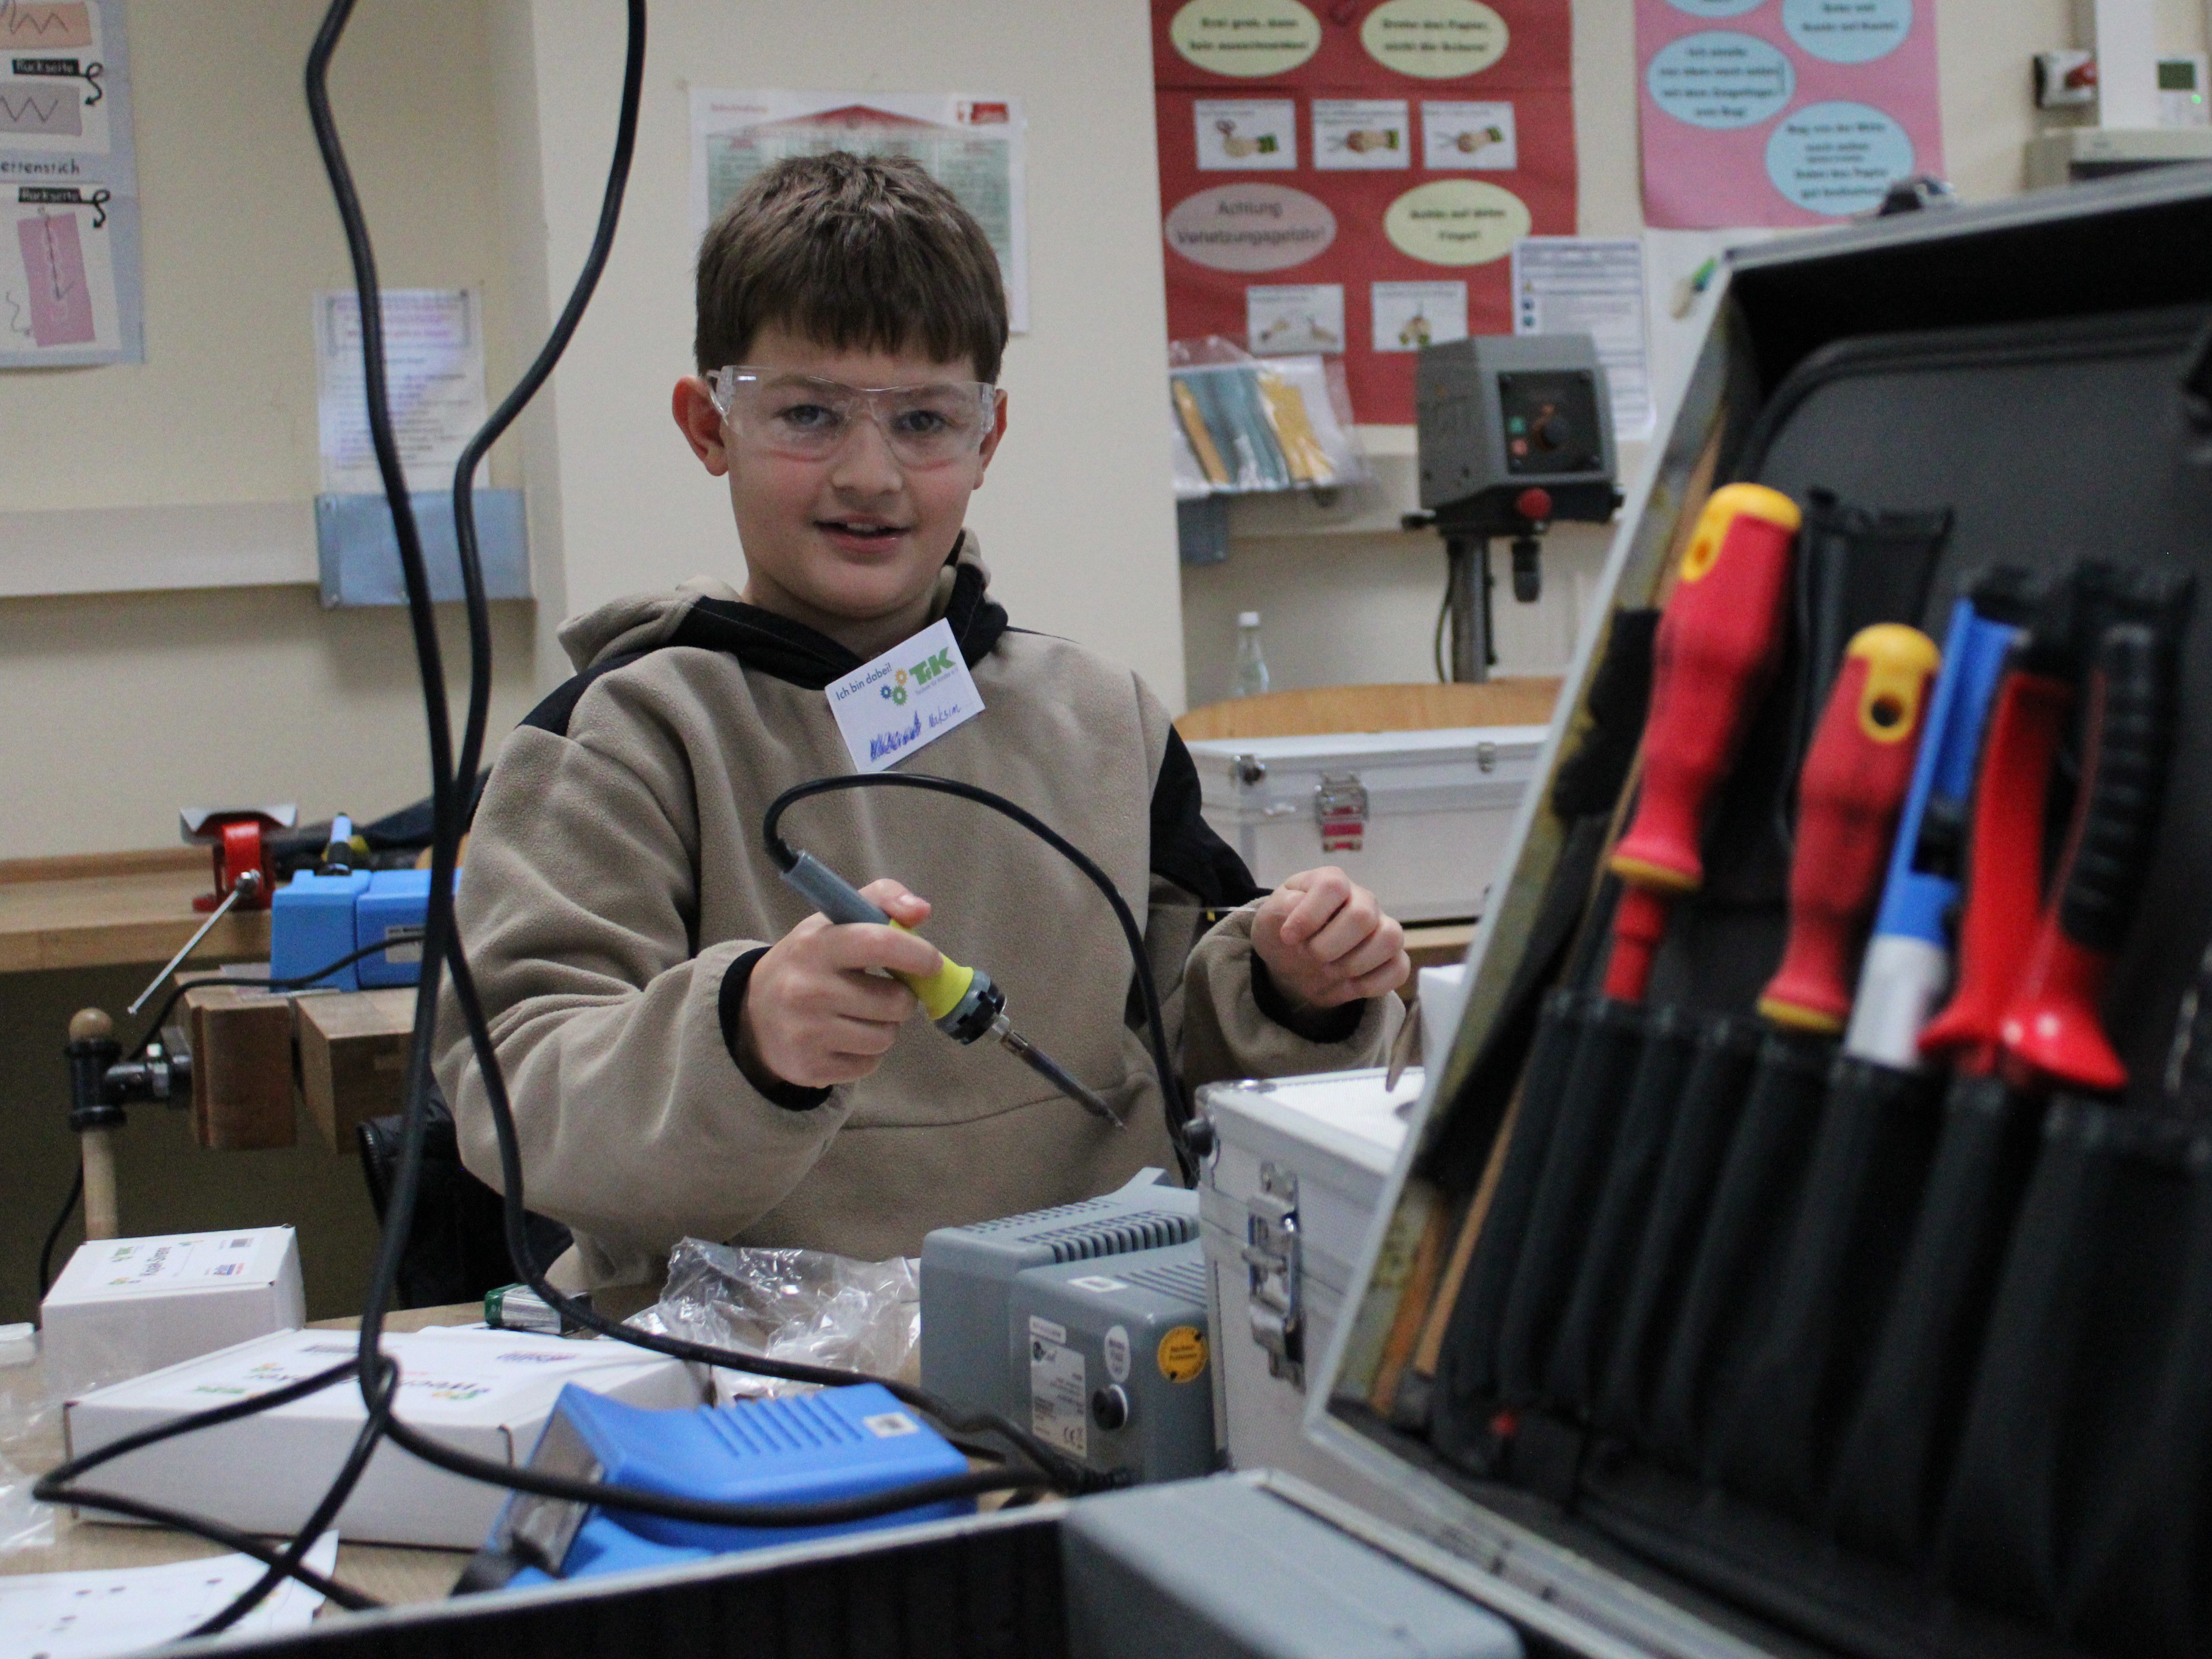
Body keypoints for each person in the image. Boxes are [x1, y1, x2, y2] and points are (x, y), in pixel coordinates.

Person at [436, 152, 1410, 1292]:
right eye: (806, 414)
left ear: (987, 440)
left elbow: (1197, 1059)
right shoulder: (622, 737)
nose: (871, 474)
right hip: (747, 1381)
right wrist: (746, 1038)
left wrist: (1295, 988)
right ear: (710, 427)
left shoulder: (1103, 722)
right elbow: (517, 1091)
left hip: (1108, 1324)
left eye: (924, 422)